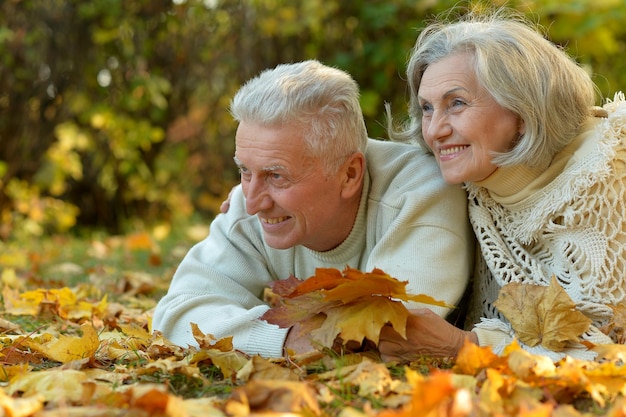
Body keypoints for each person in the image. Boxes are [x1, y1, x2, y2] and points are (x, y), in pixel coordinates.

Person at [152, 60, 474, 358]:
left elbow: (385, 330)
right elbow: (176, 314)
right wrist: (287, 338)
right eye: (245, 171)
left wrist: (246, 330)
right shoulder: (250, 201)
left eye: (276, 176)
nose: (251, 202)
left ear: (349, 174)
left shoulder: (421, 190)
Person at [380, 8, 626, 361]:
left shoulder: (606, 171)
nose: (434, 130)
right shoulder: (479, 180)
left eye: (457, 103)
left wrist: (462, 347)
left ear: (523, 111)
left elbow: (608, 354)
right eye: (428, 108)